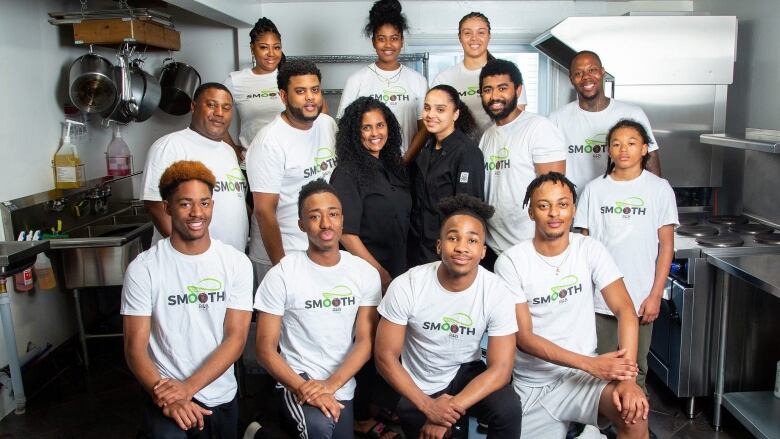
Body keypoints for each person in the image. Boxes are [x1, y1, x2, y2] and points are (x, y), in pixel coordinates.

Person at [494, 172, 650, 439]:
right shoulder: (510, 262)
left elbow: (625, 310)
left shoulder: (590, 249)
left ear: (573, 209)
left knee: (634, 413)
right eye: (544, 206)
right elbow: (525, 338)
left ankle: (587, 427)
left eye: (563, 204)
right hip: (535, 385)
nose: (554, 213)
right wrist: (591, 364)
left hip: (584, 381)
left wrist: (628, 381)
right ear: (531, 212)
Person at [122, 160, 253, 438]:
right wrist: (173, 397)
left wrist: (189, 388)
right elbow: (135, 347)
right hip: (166, 397)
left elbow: (236, 338)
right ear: (167, 208)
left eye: (204, 203)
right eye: (185, 204)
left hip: (220, 396)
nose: (197, 212)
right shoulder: (144, 268)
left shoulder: (236, 263)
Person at [375, 193, 522, 439]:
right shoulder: (407, 285)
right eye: (453, 237)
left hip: (465, 373)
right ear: (439, 245)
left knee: (508, 408)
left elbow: (502, 369)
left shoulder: (497, 291)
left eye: (472, 240)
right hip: (419, 382)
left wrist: (449, 409)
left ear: (483, 251)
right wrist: (428, 407)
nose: (462, 247)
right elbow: (384, 357)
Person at [254, 179, 381, 439]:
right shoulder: (283, 274)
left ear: (342, 219)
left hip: (341, 385)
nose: (326, 223)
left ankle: (260, 436)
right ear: (301, 225)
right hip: (297, 381)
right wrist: (306, 387)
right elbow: (265, 350)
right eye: (314, 216)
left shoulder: (364, 273)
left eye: (333, 214)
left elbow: (365, 342)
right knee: (320, 428)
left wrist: (329, 386)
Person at [575, 119, 678, 398]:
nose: (624, 150)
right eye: (617, 144)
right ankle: (599, 423)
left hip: (640, 298)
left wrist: (656, 294)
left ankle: (633, 424)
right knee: (600, 366)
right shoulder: (594, 190)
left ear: (645, 148)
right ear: (608, 150)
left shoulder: (659, 189)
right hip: (599, 299)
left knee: (635, 369)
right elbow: (582, 245)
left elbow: (666, 246)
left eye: (632, 143)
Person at [330, 97, 410, 438]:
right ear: (354, 133)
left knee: (388, 344)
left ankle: (378, 406)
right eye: (366, 127)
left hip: (398, 268)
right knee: (365, 344)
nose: (375, 133)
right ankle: (361, 418)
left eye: (380, 125)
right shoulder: (347, 172)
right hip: (367, 272)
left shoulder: (394, 165)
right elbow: (346, 234)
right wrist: (379, 273)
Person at [246, 59, 337, 285]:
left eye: (315, 90)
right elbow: (264, 212)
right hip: (281, 254)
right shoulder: (269, 142)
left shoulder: (327, 125)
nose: (310, 97)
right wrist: (282, 269)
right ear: (284, 96)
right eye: (300, 91)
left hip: (319, 249)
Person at [142, 83, 249, 253]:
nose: (219, 113)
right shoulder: (170, 146)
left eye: (226, 107)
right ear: (193, 107)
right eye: (211, 105)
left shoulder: (228, 151)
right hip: (187, 261)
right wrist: (191, 253)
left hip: (230, 261)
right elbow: (155, 205)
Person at [479, 59, 566, 259]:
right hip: (494, 248)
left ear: (518, 91)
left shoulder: (538, 128)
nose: (495, 96)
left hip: (530, 247)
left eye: (502, 88)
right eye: (488, 90)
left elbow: (554, 193)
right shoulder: (487, 136)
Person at [548, 50, 662, 194]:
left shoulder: (632, 114)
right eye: (578, 73)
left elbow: (651, 164)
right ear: (571, 79)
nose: (586, 77)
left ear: (602, 72)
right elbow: (550, 170)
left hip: (621, 204)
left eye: (592, 70)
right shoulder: (557, 119)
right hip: (574, 207)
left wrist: (653, 200)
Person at [336, 0, 428, 160]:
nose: (388, 45)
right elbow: (345, 128)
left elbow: (424, 128)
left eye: (394, 38)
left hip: (407, 165)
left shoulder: (418, 80)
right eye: (381, 38)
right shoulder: (357, 80)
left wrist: (405, 160)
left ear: (401, 41)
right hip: (368, 166)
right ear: (373, 42)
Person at [409, 85, 485, 266]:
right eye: (427, 108)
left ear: (456, 114)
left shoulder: (467, 152)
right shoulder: (427, 148)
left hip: (446, 252)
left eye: (440, 110)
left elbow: (469, 210)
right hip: (418, 248)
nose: (430, 114)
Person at [430, 12, 527, 136]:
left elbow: (517, 120)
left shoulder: (508, 74)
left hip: (499, 148)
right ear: (459, 37)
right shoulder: (443, 79)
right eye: (467, 33)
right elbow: (437, 122)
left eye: (481, 32)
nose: (474, 38)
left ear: (489, 36)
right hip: (460, 152)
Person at [223, 17, 286, 164]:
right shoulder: (235, 81)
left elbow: (320, 115)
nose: (271, 53)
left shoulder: (291, 78)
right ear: (252, 48)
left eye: (276, 47)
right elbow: (215, 117)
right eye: (264, 47)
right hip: (252, 164)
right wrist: (232, 147)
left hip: (289, 164)